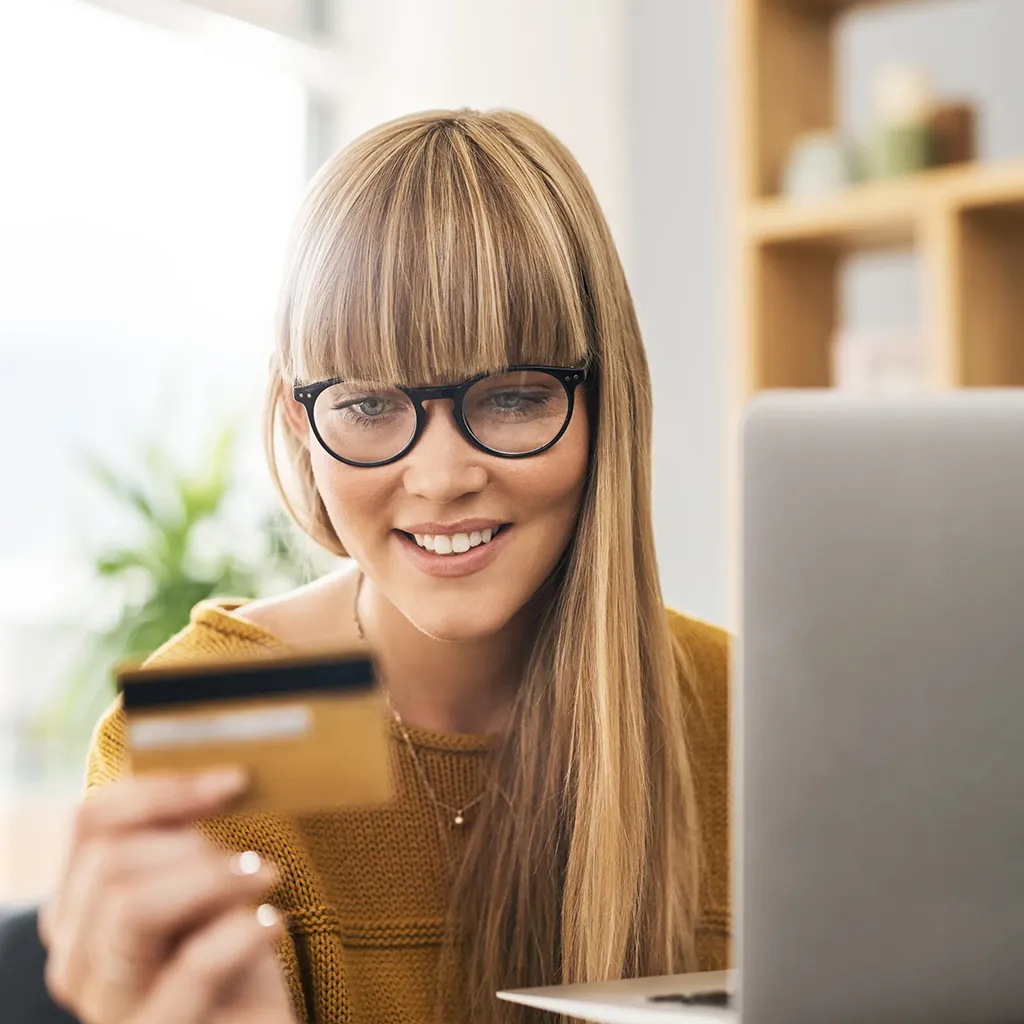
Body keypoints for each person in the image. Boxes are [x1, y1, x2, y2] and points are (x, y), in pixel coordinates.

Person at [39, 108, 730, 1024]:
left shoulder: (738, 710)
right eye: (368, 406)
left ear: (608, 401)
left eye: (515, 396)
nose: (442, 478)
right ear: (299, 421)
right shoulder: (212, 734)